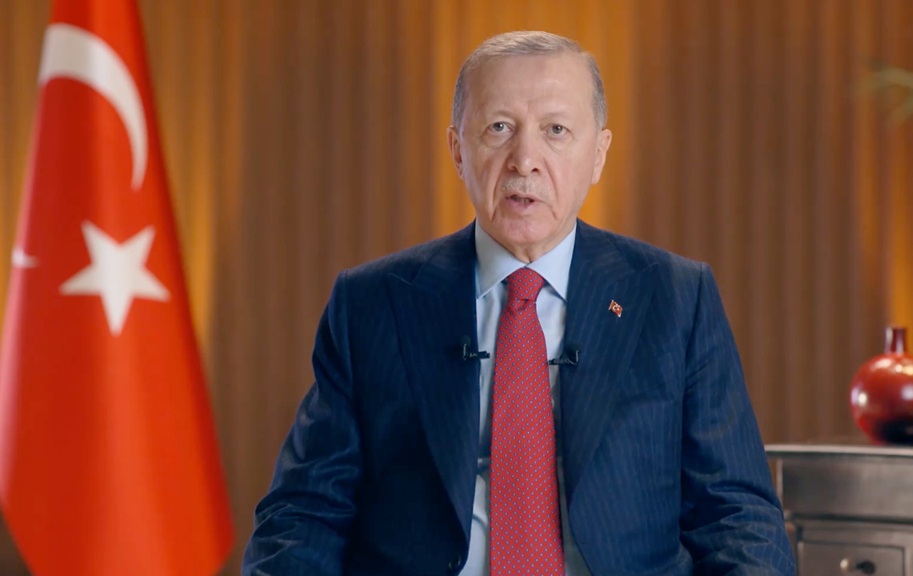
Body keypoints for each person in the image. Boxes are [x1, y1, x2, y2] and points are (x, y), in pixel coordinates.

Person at [242, 30, 796, 576]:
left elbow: (736, 515)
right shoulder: (371, 304)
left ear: (598, 154)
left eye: (556, 130)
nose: (524, 160)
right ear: (458, 150)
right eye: (499, 128)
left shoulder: (675, 298)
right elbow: (305, 512)